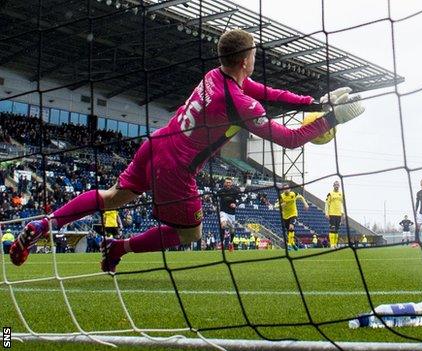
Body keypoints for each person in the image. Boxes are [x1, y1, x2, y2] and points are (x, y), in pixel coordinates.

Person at [10, 29, 365, 271]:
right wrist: (329, 120)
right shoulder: (240, 103)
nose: (255, 60)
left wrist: (313, 102)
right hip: (176, 169)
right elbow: (288, 139)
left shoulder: (216, 76)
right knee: (190, 234)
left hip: (156, 143)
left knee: (113, 196)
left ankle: (45, 223)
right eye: (254, 54)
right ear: (246, 60)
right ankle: (119, 247)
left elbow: (268, 93)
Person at [274, 184, 309, 251]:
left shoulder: (293, 194)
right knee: (289, 231)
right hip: (285, 216)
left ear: (290, 189)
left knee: (291, 227)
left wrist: (305, 203)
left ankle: (289, 245)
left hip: (293, 214)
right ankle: (292, 243)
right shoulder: (281, 197)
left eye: (288, 188)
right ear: (283, 190)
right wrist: (281, 205)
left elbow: (301, 197)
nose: (287, 189)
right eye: (285, 188)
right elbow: (275, 205)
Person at [217, 177, 239, 252]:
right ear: (224, 183)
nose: (228, 184)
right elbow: (215, 198)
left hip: (232, 213)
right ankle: (222, 243)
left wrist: (235, 204)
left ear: (232, 183)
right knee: (223, 225)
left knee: (232, 230)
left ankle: (230, 243)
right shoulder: (220, 191)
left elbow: (240, 200)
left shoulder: (235, 191)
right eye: (227, 182)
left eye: (229, 182)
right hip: (223, 211)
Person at [325, 180, 344, 249]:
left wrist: (343, 213)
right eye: (335, 185)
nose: (336, 186)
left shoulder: (341, 194)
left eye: (337, 185)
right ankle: (332, 244)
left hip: (339, 214)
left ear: (339, 186)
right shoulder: (330, 193)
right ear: (333, 186)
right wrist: (326, 213)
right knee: (332, 229)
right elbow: (327, 203)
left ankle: (335, 244)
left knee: (336, 230)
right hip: (332, 214)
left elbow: (342, 204)